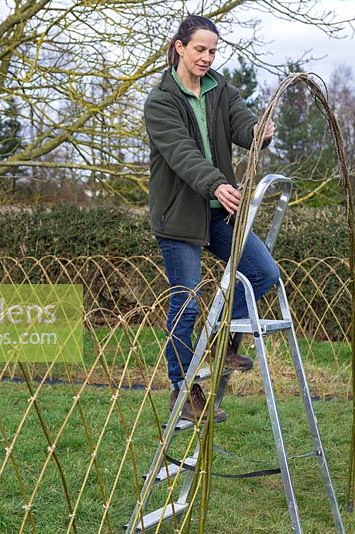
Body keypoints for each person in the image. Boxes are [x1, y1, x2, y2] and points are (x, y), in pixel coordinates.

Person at [144, 15, 279, 424]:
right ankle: (182, 390)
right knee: (185, 303)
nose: (206, 58)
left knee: (262, 272)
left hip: (220, 214)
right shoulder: (160, 101)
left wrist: (259, 130)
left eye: (213, 51)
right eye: (200, 49)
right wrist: (217, 183)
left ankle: (223, 342)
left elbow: (241, 123)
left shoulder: (221, 89)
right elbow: (182, 153)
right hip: (180, 216)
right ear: (180, 47)